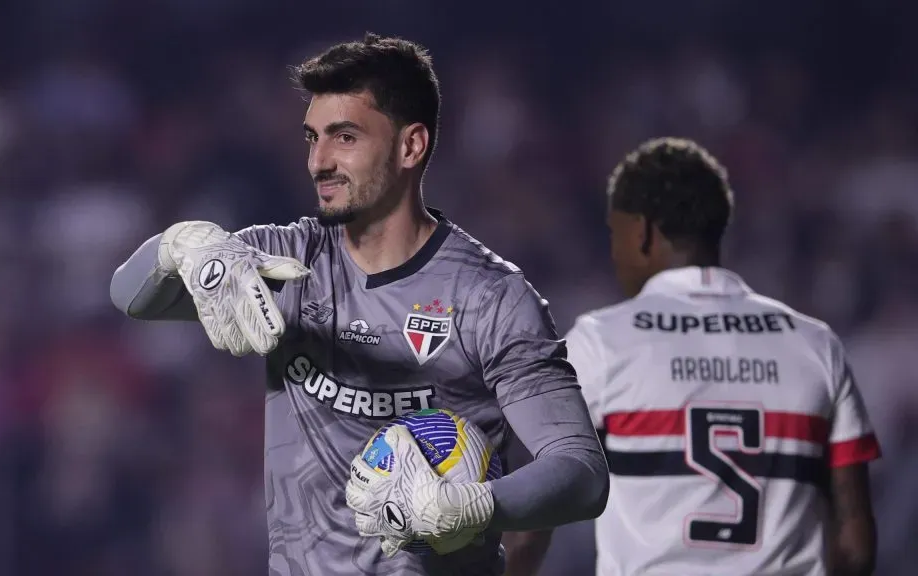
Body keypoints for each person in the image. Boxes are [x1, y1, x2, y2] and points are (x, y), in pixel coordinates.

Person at [110, 33, 608, 576]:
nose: (318, 161)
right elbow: (131, 296)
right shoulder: (284, 261)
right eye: (312, 138)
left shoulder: (490, 298)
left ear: (410, 147)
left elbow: (580, 471)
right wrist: (182, 245)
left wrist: (479, 507)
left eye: (343, 137)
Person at [564, 137, 880, 576]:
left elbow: (533, 513)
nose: (615, 254)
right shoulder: (815, 344)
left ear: (643, 233)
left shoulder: (601, 342)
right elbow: (856, 544)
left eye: (615, 235)